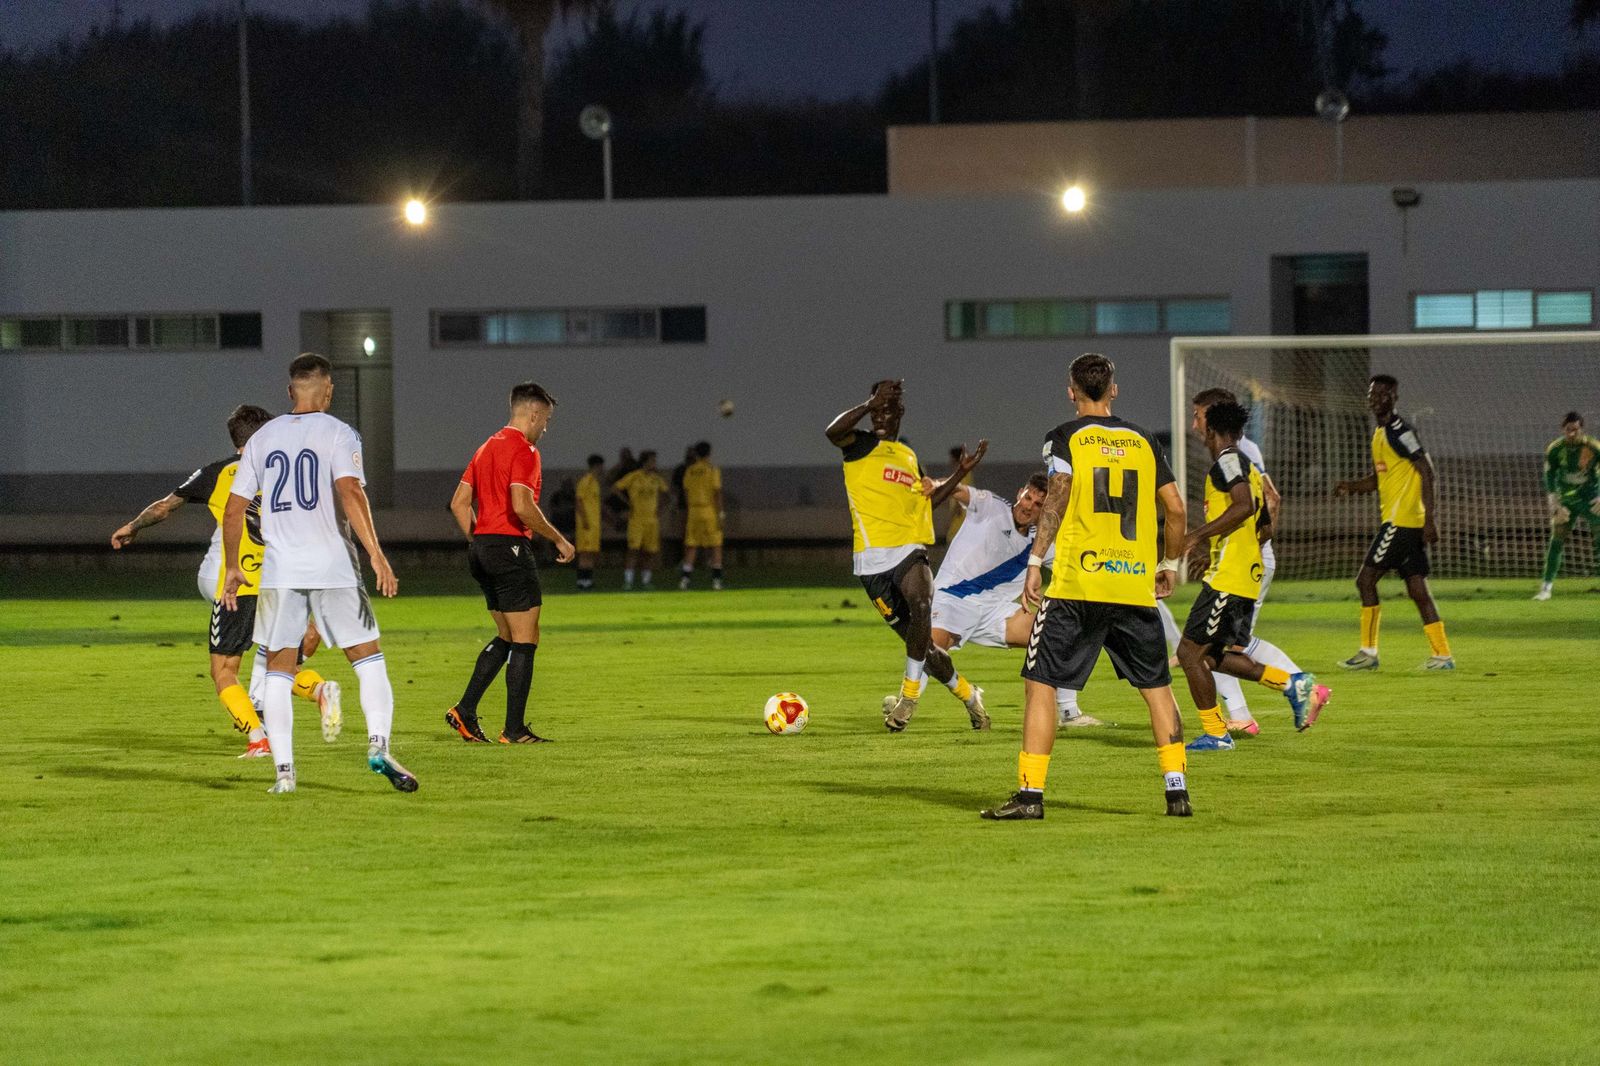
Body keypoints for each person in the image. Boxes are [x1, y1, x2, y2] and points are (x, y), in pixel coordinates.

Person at [981, 353, 1193, 820]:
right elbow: (1175, 510)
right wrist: (1170, 564)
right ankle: (1177, 791)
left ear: (1071, 391)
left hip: (1077, 585)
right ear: (1113, 389)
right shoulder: (1143, 440)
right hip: (1133, 587)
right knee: (1158, 689)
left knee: (1040, 684)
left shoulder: (1065, 437)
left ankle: (1031, 795)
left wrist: (1036, 560)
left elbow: (1058, 491)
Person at [222, 352, 416, 794]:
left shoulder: (261, 438)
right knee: (368, 660)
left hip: (279, 571)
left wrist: (233, 566)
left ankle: (285, 775)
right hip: (333, 565)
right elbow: (349, 490)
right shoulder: (339, 432)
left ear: (290, 391)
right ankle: (378, 746)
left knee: (277, 671)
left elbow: (235, 510)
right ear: (328, 390)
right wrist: (377, 555)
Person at [110, 403, 335, 758]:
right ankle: (318, 689)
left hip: (237, 584)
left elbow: (165, 507)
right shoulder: (285, 472)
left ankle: (258, 739)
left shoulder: (219, 473)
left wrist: (132, 526)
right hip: (280, 580)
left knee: (224, 671)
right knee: (279, 662)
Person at [825, 379, 989, 732]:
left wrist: (961, 471)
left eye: (888, 410)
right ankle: (971, 698)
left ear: (899, 415)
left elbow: (926, 502)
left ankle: (909, 697)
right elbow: (832, 432)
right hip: (872, 562)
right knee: (927, 651)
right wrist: (868, 404)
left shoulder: (908, 456)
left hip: (909, 549)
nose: (882, 416)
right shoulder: (861, 445)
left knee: (923, 605)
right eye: (877, 410)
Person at [1171, 387, 1329, 734]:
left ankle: (1216, 734)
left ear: (1211, 426)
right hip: (1244, 574)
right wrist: (1226, 544)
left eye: (1198, 417)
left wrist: (1196, 536)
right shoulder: (1249, 466)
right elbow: (1265, 527)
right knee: (1210, 657)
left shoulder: (1227, 461)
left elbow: (1244, 506)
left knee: (1188, 654)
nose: (1195, 424)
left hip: (1229, 578)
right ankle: (1293, 686)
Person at [445, 382, 575, 744]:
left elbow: (458, 503)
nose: (545, 428)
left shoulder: (486, 447)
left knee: (507, 635)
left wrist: (481, 540)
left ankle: (464, 711)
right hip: (509, 547)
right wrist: (558, 538)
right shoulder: (525, 450)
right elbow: (521, 505)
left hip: (483, 548)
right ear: (533, 414)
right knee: (526, 637)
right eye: (545, 420)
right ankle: (514, 730)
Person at [928, 474, 1103, 728]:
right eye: (1027, 497)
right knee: (929, 652)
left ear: (1046, 511)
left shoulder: (1041, 542)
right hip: (952, 601)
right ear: (1020, 492)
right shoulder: (991, 505)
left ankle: (1068, 713)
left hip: (994, 613)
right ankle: (913, 700)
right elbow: (958, 490)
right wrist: (933, 485)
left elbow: (1075, 573)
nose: (1028, 505)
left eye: (1038, 504)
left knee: (1056, 634)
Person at [1334, 374, 1454, 670]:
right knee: (1417, 590)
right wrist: (1351, 486)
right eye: (1372, 394)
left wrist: (1430, 519)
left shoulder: (1400, 430)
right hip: (1403, 522)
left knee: (1365, 580)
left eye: (1382, 395)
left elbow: (1427, 471)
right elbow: (1380, 479)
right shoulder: (1379, 433)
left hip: (1401, 523)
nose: (1376, 399)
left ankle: (1368, 653)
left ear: (1394, 398)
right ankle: (1443, 655)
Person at [1534, 411, 1600, 600]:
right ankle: (1546, 589)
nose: (1571, 434)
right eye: (1568, 430)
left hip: (1591, 499)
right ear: (1563, 429)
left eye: (1575, 430)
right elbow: (1550, 475)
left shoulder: (1593, 447)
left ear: (1582, 429)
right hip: (1566, 502)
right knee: (1557, 540)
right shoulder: (1555, 449)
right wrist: (1553, 501)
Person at [615, 451, 667, 590]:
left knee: (649, 552)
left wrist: (660, 509)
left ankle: (646, 581)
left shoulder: (656, 479)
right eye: (652, 461)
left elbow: (666, 494)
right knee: (633, 550)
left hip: (652, 520)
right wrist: (628, 503)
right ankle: (628, 581)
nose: (654, 464)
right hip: (636, 520)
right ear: (645, 462)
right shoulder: (634, 477)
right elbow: (616, 488)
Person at [678, 440, 725, 590]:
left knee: (691, 546)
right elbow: (717, 492)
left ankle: (684, 581)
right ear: (709, 453)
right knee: (716, 546)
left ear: (696, 454)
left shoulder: (690, 470)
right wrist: (721, 513)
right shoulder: (712, 469)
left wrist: (690, 509)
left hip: (694, 511)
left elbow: (685, 492)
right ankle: (716, 582)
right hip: (708, 510)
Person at [574, 453, 606, 590]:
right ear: (596, 466)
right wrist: (585, 519)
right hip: (586, 524)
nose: (602, 469)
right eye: (601, 466)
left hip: (594, 524)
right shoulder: (586, 481)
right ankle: (582, 581)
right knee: (584, 552)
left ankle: (589, 580)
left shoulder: (595, 482)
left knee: (591, 552)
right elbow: (579, 500)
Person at [942, 445, 976, 543]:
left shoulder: (962, 474)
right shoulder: (961, 473)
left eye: (951, 458)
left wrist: (951, 517)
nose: (949, 460)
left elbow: (960, 495)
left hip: (960, 516)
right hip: (961, 515)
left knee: (955, 540)